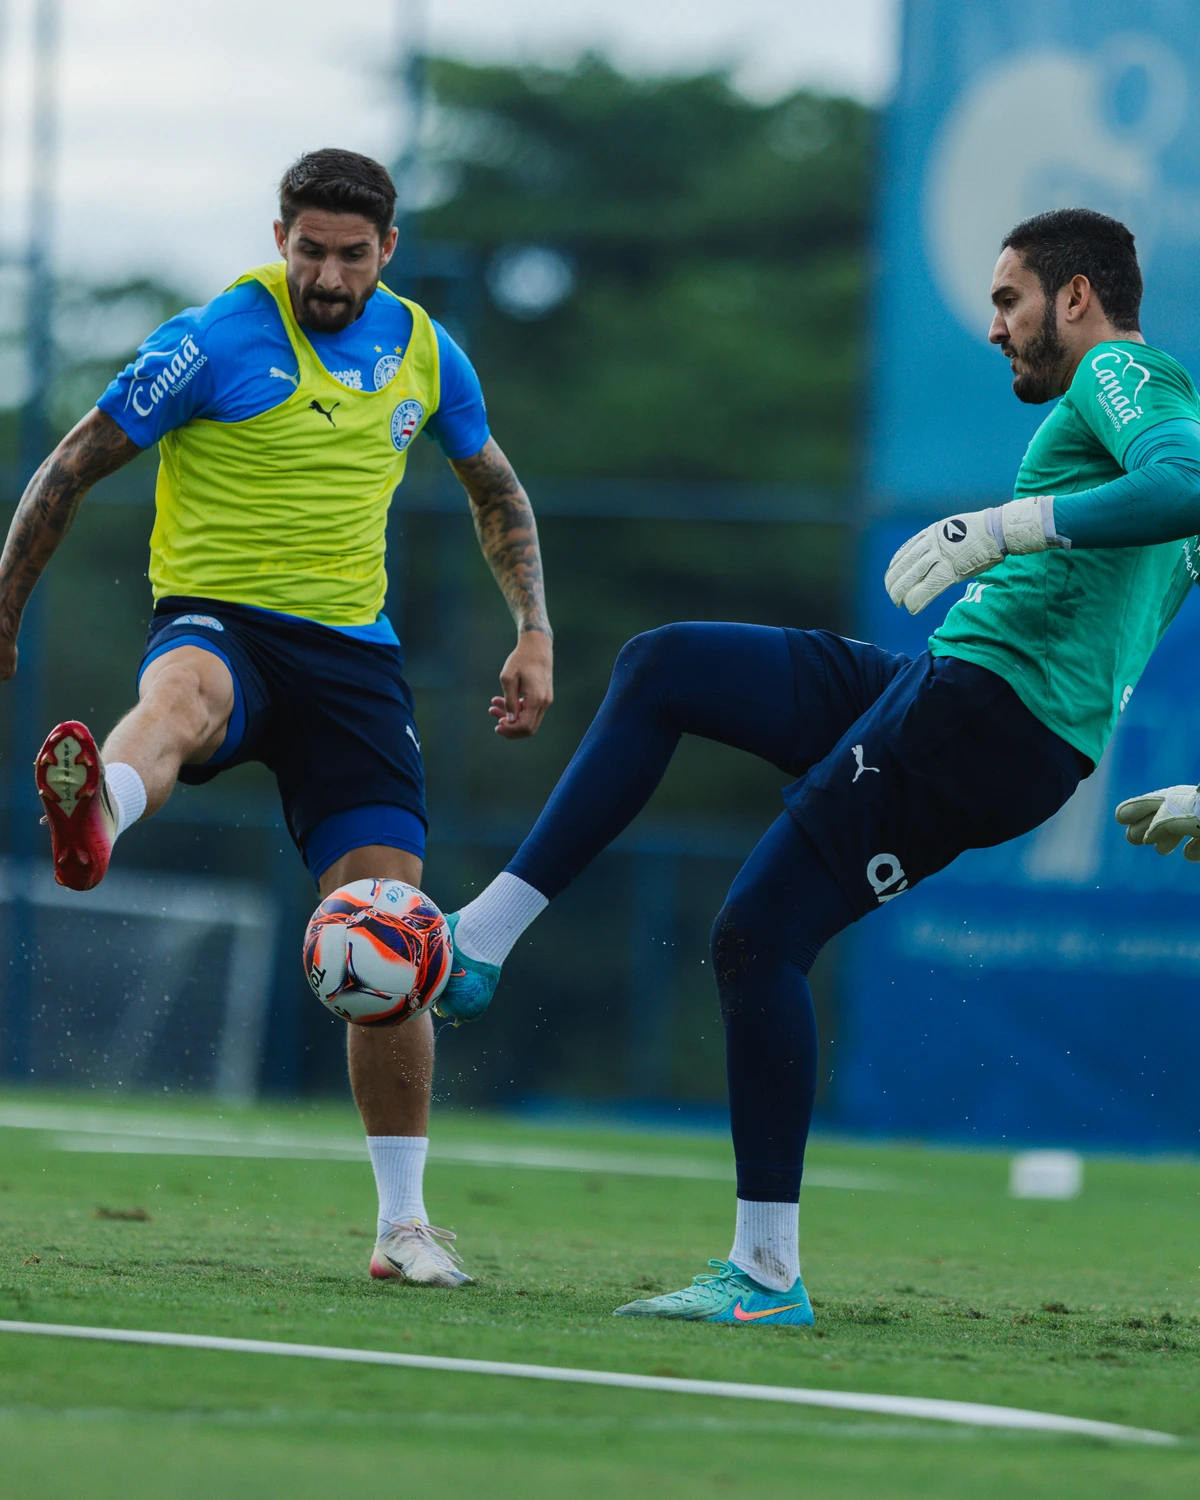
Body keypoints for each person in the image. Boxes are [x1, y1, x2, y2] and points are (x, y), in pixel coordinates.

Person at [432, 207, 1200, 1325]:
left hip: (988, 716)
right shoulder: (1143, 418)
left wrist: (1001, 526)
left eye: (1008, 299)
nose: (995, 328)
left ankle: (765, 1275)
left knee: (758, 935)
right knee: (665, 668)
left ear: (1076, 297)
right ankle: (479, 940)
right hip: (948, 687)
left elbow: (1183, 481)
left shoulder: (1126, 372)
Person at [0, 149, 553, 1290]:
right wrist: (4, 611)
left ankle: (404, 1229)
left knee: (387, 930)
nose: (329, 273)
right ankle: (97, 813)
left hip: (353, 664)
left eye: (352, 254)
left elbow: (494, 485)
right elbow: (72, 464)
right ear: (279, 236)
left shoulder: (425, 351)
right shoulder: (213, 338)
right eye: (309, 249)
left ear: (387, 251)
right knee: (180, 696)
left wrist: (533, 628)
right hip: (221, 622)